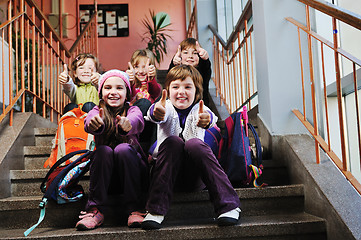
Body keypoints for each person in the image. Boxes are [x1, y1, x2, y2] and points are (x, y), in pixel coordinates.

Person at [141, 65, 241, 230]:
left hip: (196, 178)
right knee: (173, 141)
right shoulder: (165, 107)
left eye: (187, 87)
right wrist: (155, 112)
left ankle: (229, 206)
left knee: (194, 143)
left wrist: (206, 121)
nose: (181, 91)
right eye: (175, 87)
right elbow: (156, 112)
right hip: (166, 176)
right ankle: (155, 209)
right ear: (167, 90)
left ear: (197, 92)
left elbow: (209, 117)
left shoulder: (200, 110)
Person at [76, 70, 148, 230]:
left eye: (119, 88)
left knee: (123, 149)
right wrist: (95, 124)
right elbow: (89, 121)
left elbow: (137, 120)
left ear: (127, 93)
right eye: (108, 87)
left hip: (132, 175)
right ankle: (95, 210)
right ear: (101, 93)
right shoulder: (96, 111)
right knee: (103, 151)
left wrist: (127, 124)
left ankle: (135, 208)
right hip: (106, 178)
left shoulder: (133, 110)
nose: (113, 92)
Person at [168, 38, 212, 106]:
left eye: (195, 53)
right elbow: (170, 76)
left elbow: (206, 69)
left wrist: (205, 60)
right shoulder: (176, 71)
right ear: (180, 55)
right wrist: (174, 63)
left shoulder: (202, 72)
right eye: (185, 53)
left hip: (199, 109)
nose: (190, 56)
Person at [126, 49, 162, 116]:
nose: (140, 71)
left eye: (144, 67)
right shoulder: (130, 85)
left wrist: (151, 79)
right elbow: (129, 96)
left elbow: (155, 92)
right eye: (136, 67)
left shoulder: (153, 85)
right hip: (133, 118)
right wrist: (130, 82)